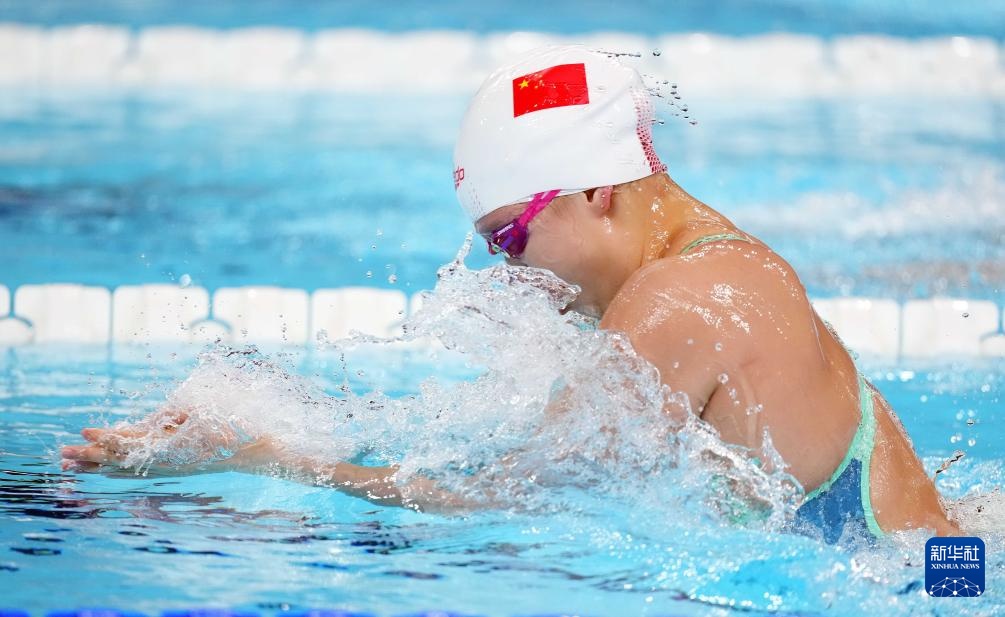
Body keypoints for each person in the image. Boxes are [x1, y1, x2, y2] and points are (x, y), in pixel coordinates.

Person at [62, 45, 958, 542]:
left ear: (594, 189)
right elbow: (483, 444)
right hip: (945, 566)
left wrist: (264, 456)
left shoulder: (679, 303)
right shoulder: (713, 267)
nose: (511, 276)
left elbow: (502, 497)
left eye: (510, 237)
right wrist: (294, 417)